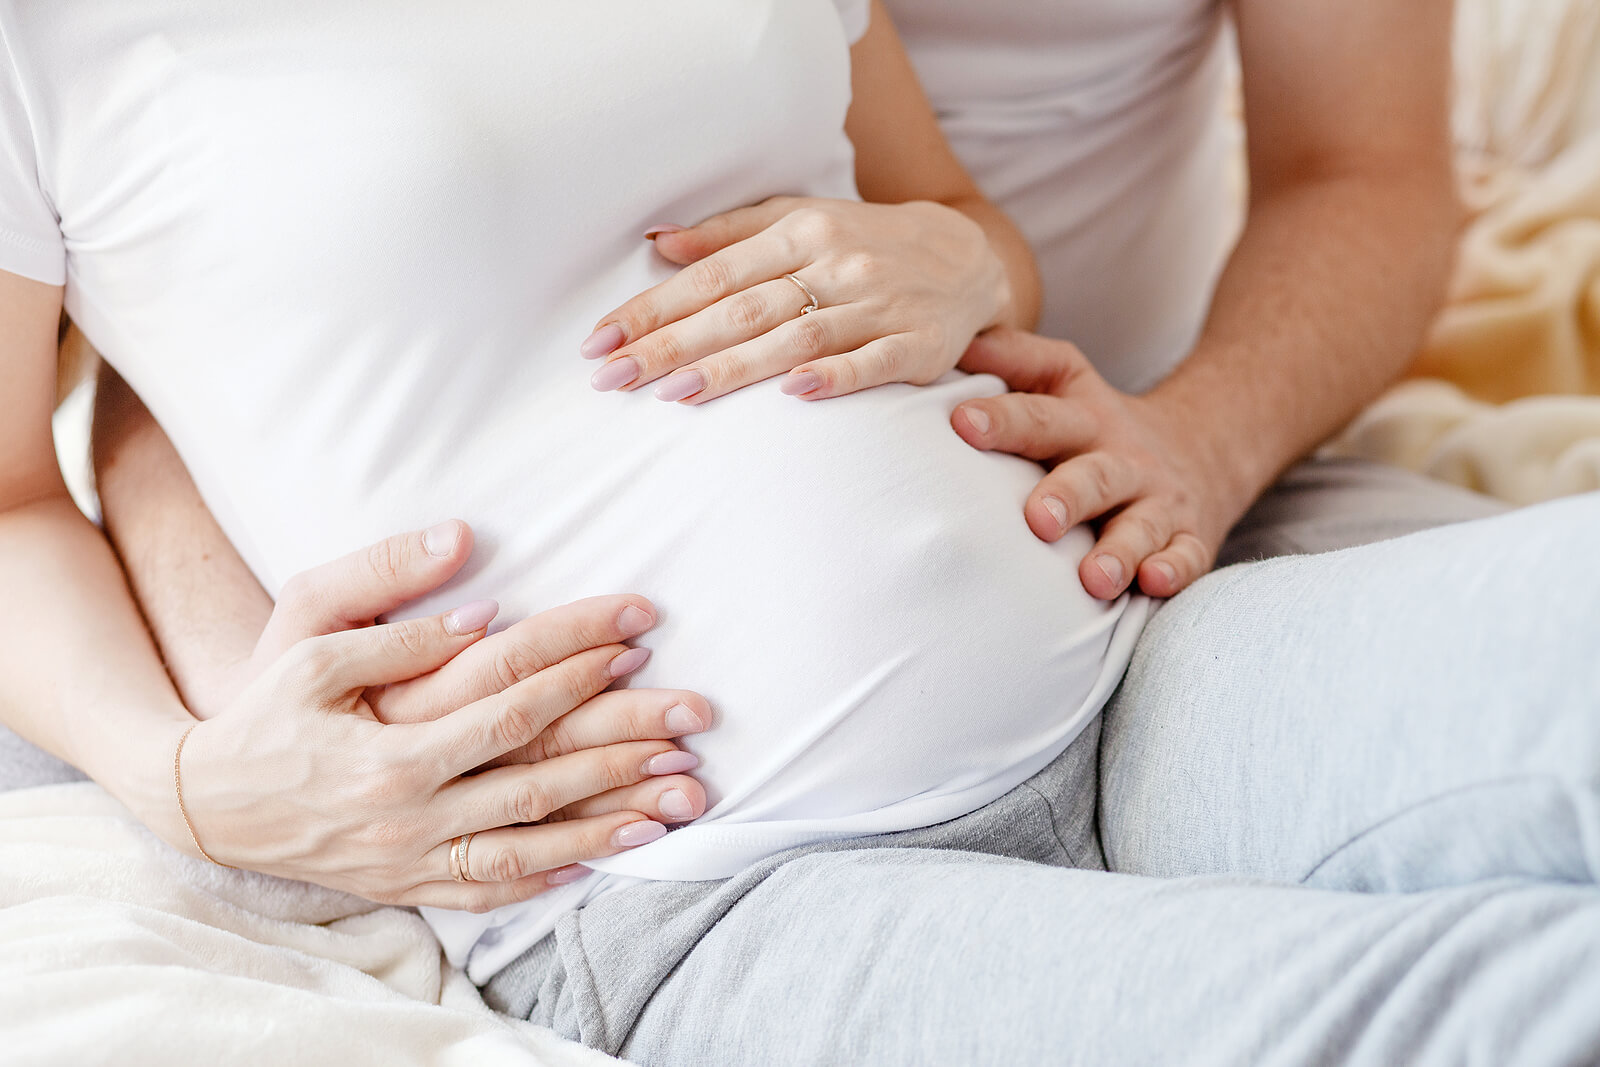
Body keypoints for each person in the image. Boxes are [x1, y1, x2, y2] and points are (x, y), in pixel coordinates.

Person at [6, 2, 1599, 1066]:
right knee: (1490, 1010)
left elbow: (964, 234)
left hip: (1112, 656)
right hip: (709, 884)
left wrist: (976, 274)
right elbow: (52, 465)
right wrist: (193, 778)